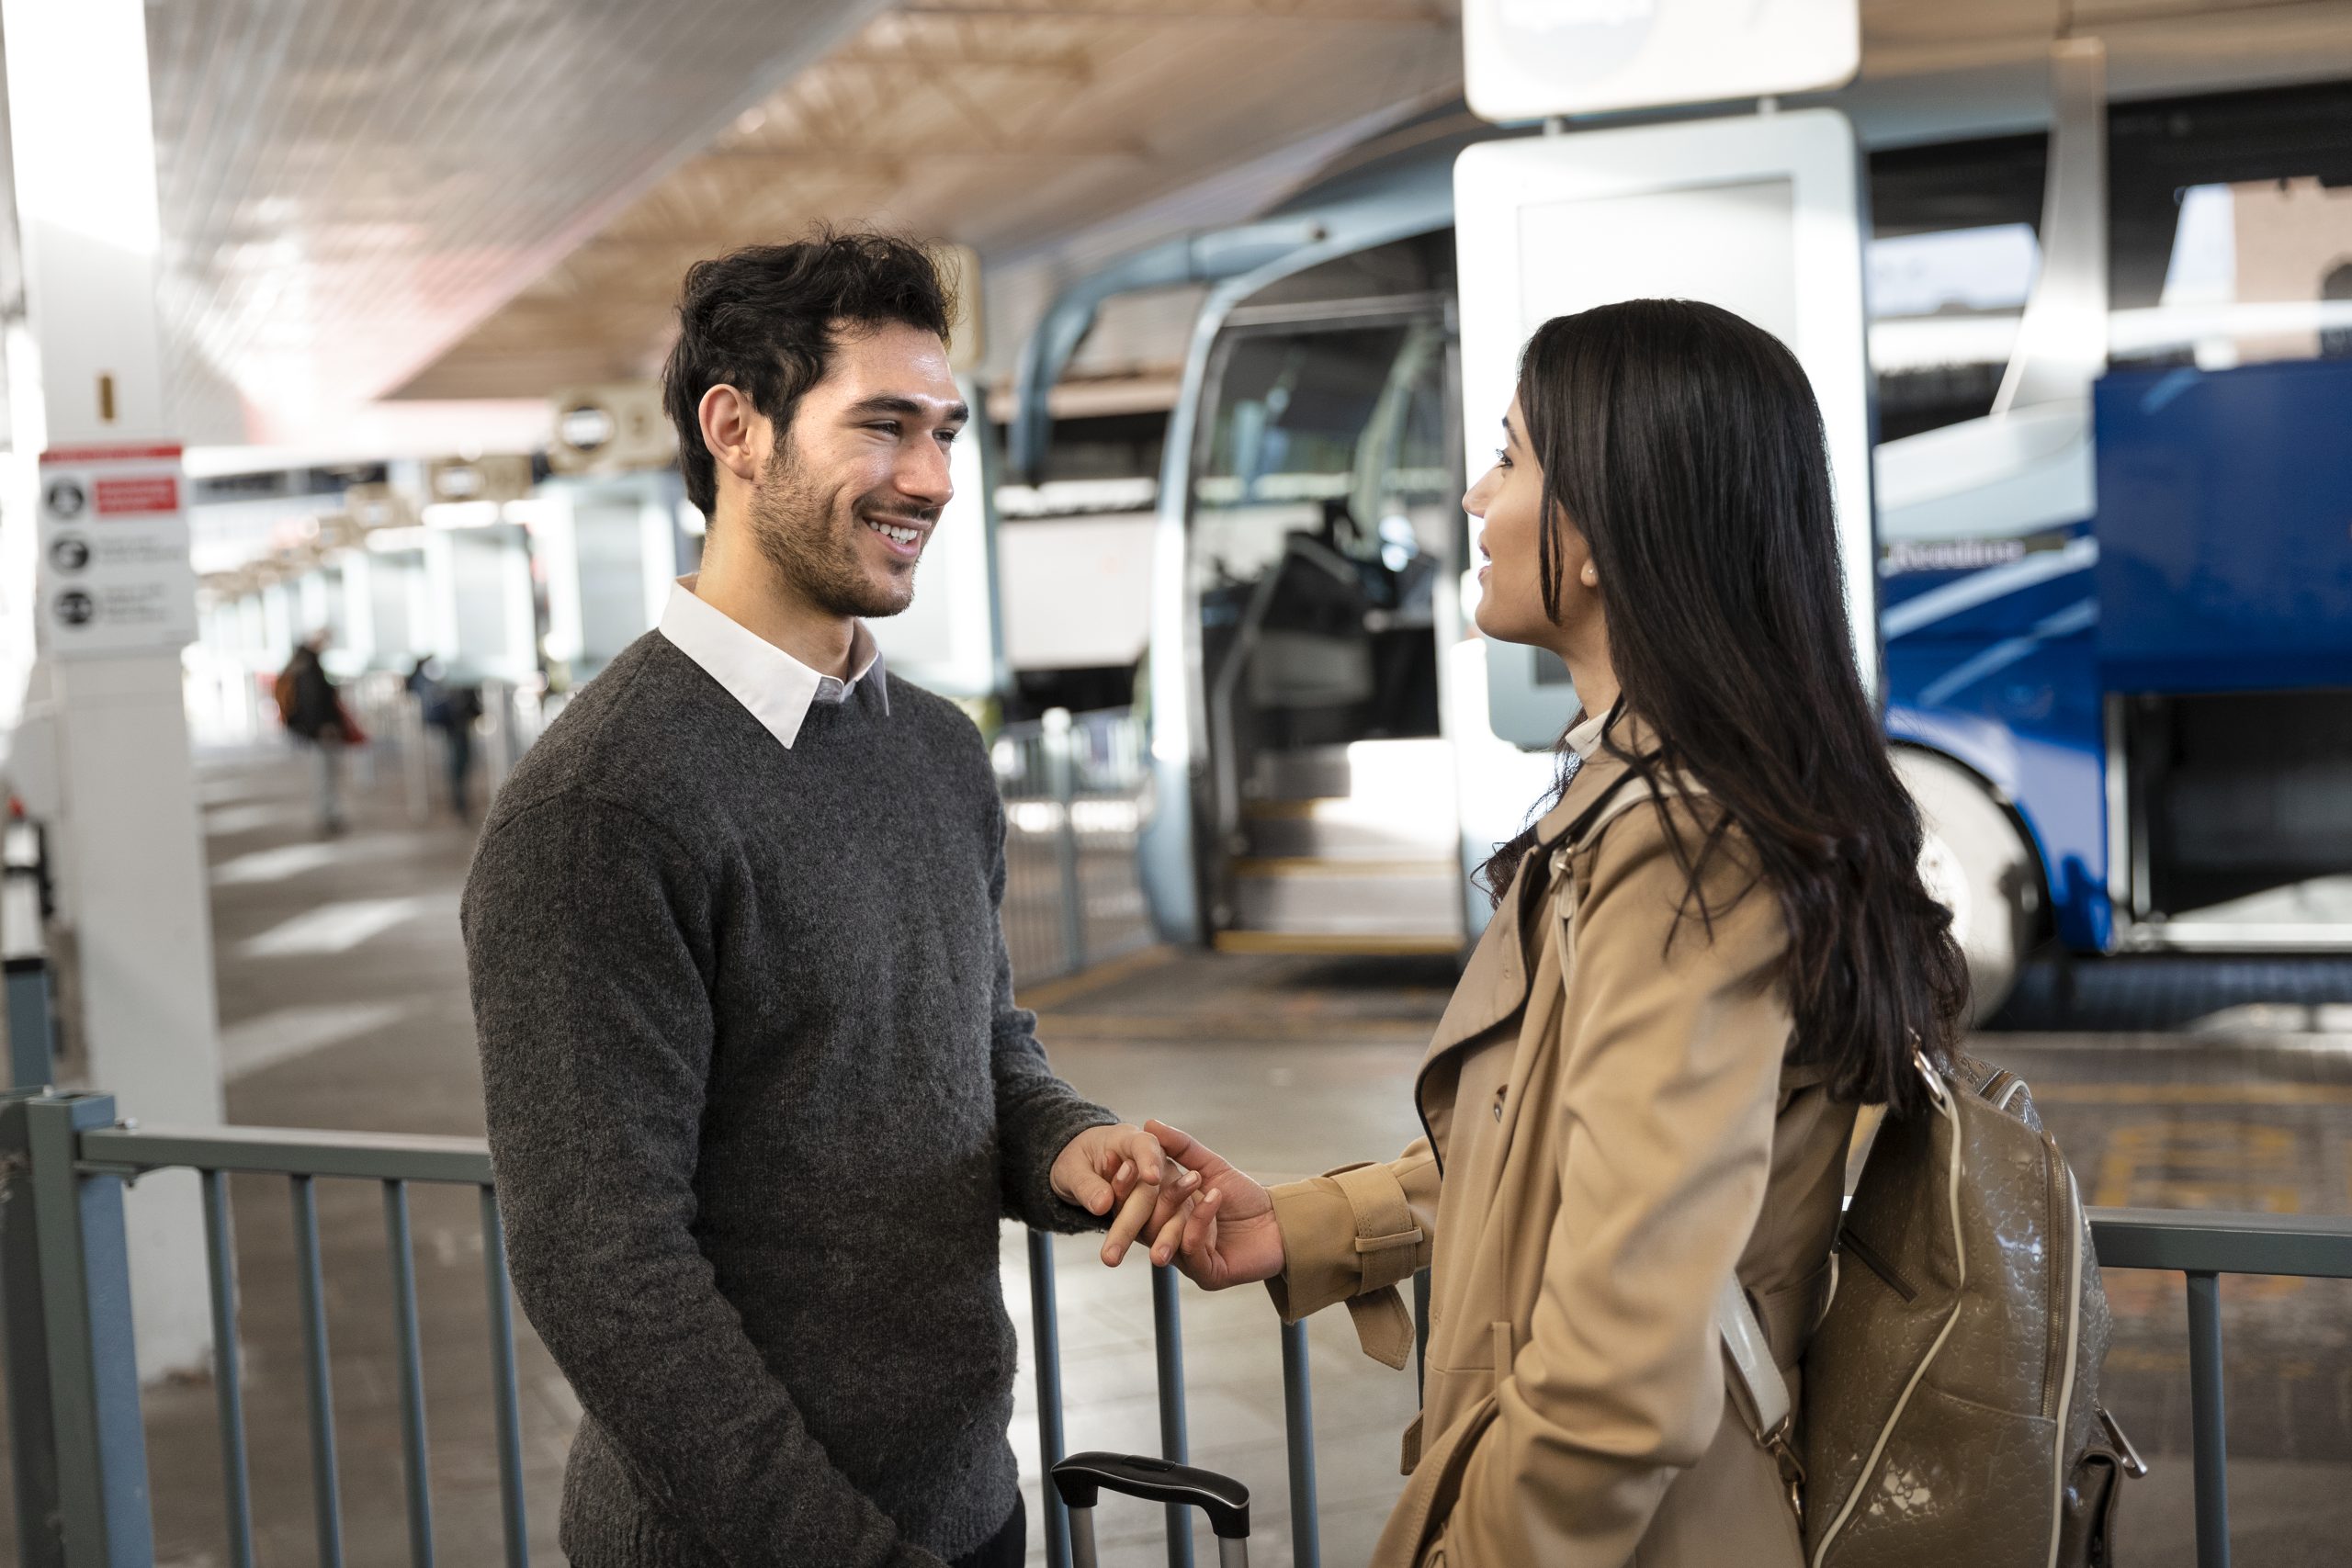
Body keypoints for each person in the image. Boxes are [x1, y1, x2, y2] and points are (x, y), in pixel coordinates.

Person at [1136, 300, 1971, 1567]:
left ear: (1598, 532)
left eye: (1510, 457)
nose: (1478, 497)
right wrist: (1309, 1225)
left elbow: (1624, 1362)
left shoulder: (1685, 848)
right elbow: (1556, 1147)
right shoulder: (1664, 807)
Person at [460, 232, 1191, 1568]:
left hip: (968, 1505)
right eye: (884, 426)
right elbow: (603, 1266)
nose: (933, 478)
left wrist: (1065, 1146)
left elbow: (981, 1045)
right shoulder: (602, 806)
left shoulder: (935, 749)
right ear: (735, 429)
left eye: (945, 432)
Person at [277, 631, 351, 834]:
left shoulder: (303, 663)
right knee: (324, 775)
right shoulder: (309, 666)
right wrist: (322, 727)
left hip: (316, 731)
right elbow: (314, 701)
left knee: (324, 775)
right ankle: (327, 817)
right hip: (321, 731)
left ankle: (328, 815)